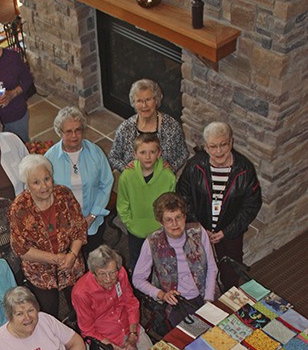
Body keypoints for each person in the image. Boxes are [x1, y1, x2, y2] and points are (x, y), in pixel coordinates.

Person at [177, 121, 262, 289]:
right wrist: (199, 227)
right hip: (199, 229)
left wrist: (227, 231)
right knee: (196, 266)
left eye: (223, 145)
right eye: (212, 147)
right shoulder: (194, 166)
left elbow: (251, 205)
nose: (218, 151)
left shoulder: (244, 169)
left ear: (231, 142)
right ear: (206, 147)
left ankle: (229, 295)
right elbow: (183, 198)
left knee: (231, 269)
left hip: (230, 232)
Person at [9, 154, 88, 318]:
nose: (44, 186)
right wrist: (55, 259)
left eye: (47, 179)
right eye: (36, 182)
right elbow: (21, 249)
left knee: (81, 306)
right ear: (27, 185)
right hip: (39, 270)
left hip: (71, 260)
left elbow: (79, 227)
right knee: (48, 314)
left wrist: (72, 255)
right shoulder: (19, 208)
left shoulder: (64, 195)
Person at [133, 192, 219, 328]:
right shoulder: (152, 242)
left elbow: (212, 267)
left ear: (184, 217)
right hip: (175, 304)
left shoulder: (198, 232)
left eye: (178, 217)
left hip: (205, 294)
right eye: (168, 219)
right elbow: (137, 279)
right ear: (160, 222)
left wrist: (208, 300)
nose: (175, 224)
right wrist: (161, 294)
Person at [45, 106, 114, 257]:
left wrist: (93, 215)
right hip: (63, 225)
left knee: (93, 258)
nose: (74, 135)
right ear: (59, 132)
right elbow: (46, 192)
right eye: (68, 131)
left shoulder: (95, 152)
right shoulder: (49, 158)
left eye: (78, 130)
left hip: (92, 222)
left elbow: (106, 183)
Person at [72, 245, 152, 350]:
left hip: (130, 328)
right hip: (105, 341)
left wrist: (132, 336)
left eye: (112, 273)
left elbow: (131, 303)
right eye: (102, 274)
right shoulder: (81, 293)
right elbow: (88, 330)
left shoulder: (121, 273)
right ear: (93, 273)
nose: (108, 279)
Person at [116, 132, 177, 270]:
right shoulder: (127, 175)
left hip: (159, 229)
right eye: (143, 152)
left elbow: (171, 204)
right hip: (136, 230)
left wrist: (164, 224)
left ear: (159, 153)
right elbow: (122, 202)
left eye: (152, 152)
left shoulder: (168, 176)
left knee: (159, 262)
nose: (148, 157)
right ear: (135, 154)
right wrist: (129, 222)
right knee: (137, 262)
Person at [109, 78, 189, 174]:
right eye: (139, 101)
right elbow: (113, 157)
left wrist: (171, 167)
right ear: (133, 103)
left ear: (156, 100)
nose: (144, 105)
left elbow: (183, 154)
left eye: (148, 99)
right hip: (134, 181)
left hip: (162, 181)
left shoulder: (172, 127)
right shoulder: (125, 128)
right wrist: (125, 168)